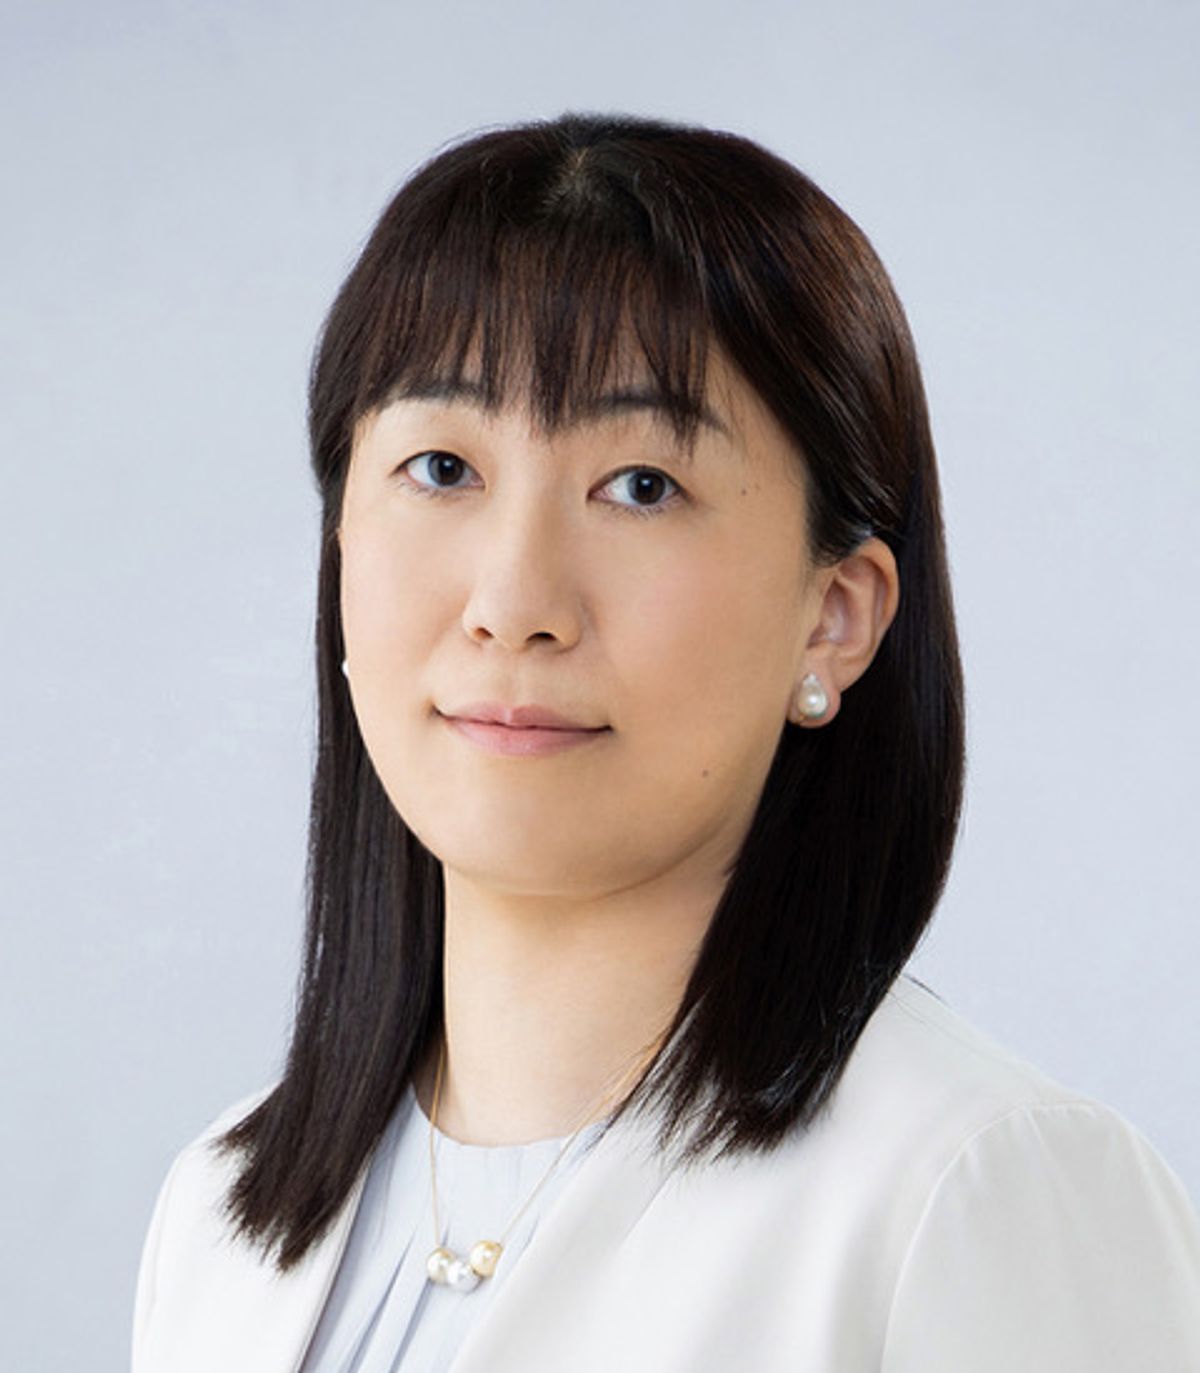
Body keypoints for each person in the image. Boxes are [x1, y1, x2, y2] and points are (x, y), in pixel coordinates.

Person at [131, 113, 1200, 1373]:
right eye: (439, 466)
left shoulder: (974, 1192)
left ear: (834, 612)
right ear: (341, 555)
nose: (514, 599)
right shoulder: (219, 1220)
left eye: (642, 484)